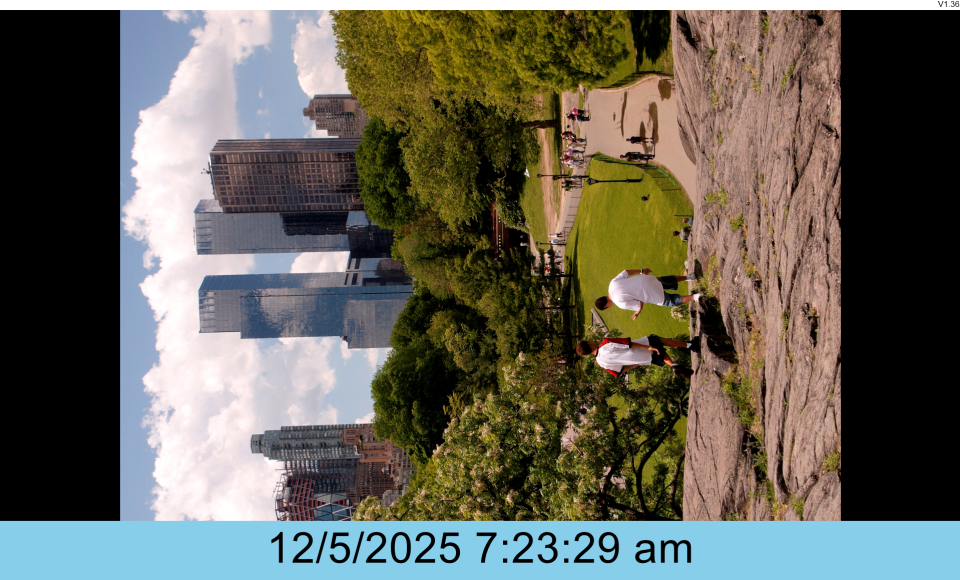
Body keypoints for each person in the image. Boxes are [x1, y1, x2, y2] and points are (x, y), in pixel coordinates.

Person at [596, 269, 700, 320]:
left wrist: (637, 312)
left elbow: (639, 304)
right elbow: (626, 272)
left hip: (650, 293)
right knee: (668, 280)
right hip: (646, 279)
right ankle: (690, 277)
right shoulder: (612, 284)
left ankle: (696, 296)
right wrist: (641, 270)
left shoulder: (619, 303)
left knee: (671, 301)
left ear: (606, 306)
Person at [576, 336, 697, 379]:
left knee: (662, 356)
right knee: (662, 341)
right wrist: (648, 347)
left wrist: (636, 364)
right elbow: (629, 344)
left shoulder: (601, 363)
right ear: (589, 344)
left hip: (642, 359)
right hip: (643, 346)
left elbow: (620, 372)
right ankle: (690, 345)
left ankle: (674, 366)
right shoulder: (606, 343)